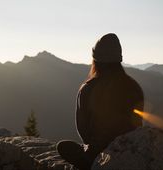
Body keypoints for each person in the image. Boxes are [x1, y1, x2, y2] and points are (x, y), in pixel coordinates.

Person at [57, 33, 144, 170]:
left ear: (95, 60)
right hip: (130, 149)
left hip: (98, 154)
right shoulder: (134, 87)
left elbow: (84, 131)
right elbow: (138, 124)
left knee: (63, 147)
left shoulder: (88, 89)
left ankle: (88, 162)